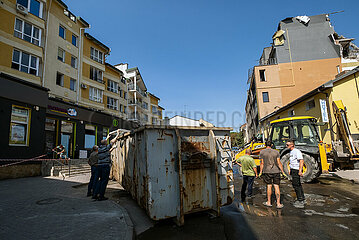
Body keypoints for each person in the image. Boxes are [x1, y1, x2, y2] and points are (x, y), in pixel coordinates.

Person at [93, 130, 120, 201]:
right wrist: (117, 134)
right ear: (105, 144)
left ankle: (95, 194)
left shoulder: (99, 149)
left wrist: (107, 138)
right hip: (105, 166)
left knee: (100, 180)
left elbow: (104, 143)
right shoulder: (106, 147)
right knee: (104, 181)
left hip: (99, 166)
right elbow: (112, 142)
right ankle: (101, 196)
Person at [259, 140, 285, 209]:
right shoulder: (276, 152)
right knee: (276, 186)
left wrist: (260, 172)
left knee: (269, 186)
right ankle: (278, 204)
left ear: (265, 145)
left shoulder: (262, 152)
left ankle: (269, 202)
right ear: (272, 145)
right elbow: (279, 163)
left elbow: (262, 163)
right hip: (276, 171)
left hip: (267, 171)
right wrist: (282, 171)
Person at [286, 140, 306, 208]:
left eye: (287, 145)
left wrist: (300, 170)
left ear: (292, 145)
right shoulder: (291, 152)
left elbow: (301, 160)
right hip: (293, 169)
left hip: (296, 169)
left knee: (296, 185)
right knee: (296, 184)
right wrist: (290, 169)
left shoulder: (297, 151)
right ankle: (301, 198)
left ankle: (300, 200)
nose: (286, 146)